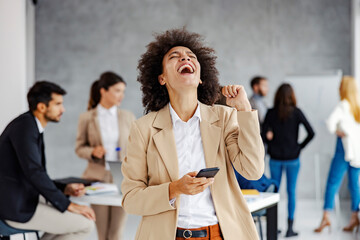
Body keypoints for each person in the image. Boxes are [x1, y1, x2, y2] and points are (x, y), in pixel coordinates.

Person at [121, 28, 264, 240]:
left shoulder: (224, 118)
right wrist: (174, 189)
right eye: (174, 56)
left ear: (200, 78)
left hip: (219, 234)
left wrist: (244, 110)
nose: (185, 58)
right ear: (161, 78)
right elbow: (131, 199)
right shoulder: (143, 129)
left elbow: (253, 171)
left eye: (191, 56)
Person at [0, 81, 95, 240]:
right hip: (15, 208)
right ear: (42, 107)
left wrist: (64, 189)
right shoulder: (25, 127)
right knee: (85, 225)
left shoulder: (30, 125)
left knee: (78, 222)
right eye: (57, 104)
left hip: (23, 200)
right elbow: (34, 172)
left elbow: (33, 173)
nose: (62, 109)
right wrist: (68, 205)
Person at [75, 71, 135, 240]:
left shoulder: (128, 116)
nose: (121, 96)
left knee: (116, 232)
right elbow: (79, 148)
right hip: (97, 179)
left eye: (123, 91)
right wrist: (92, 152)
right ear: (103, 90)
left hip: (122, 178)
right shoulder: (87, 118)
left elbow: (137, 148)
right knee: (102, 233)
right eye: (117, 90)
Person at [261, 83, 315, 237]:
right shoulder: (297, 113)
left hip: (275, 158)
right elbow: (311, 133)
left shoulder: (271, 113)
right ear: (292, 96)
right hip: (293, 158)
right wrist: (299, 147)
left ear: (277, 95)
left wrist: (270, 139)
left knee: (274, 192)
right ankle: (290, 228)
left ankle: (274, 226)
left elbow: (263, 136)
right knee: (291, 192)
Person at [314, 76, 360, 233]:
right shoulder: (357, 105)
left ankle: (326, 217)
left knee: (332, 182)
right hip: (357, 151)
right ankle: (355, 217)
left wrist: (337, 131)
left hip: (344, 148)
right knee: (354, 185)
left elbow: (329, 123)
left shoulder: (343, 105)